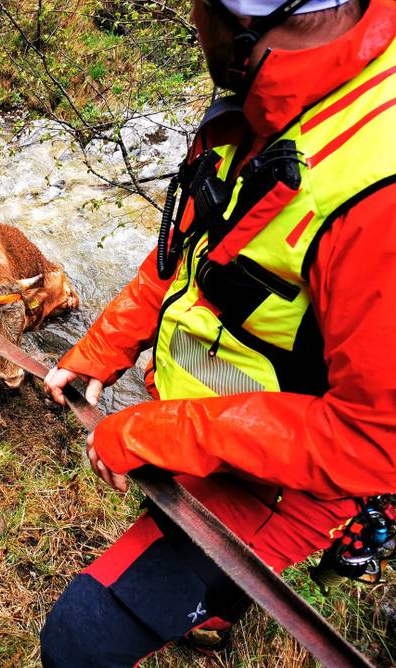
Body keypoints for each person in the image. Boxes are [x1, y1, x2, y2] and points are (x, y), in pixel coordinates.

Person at [40, 0, 396, 664]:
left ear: (228, 17)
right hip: (218, 439)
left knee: (78, 638)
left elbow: (374, 440)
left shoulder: (378, 191)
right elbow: (194, 254)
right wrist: (103, 348)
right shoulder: (265, 104)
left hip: (289, 486)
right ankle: (213, 610)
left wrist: (156, 431)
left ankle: (218, 602)